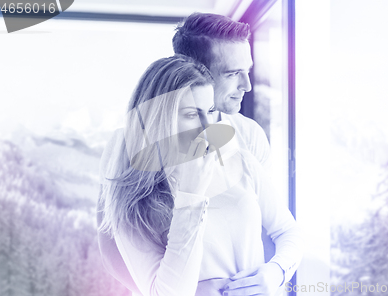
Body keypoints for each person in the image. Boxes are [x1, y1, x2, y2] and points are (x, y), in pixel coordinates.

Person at [98, 54, 302, 296]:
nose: (207, 127)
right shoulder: (133, 198)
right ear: (158, 120)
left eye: (210, 111)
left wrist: (276, 272)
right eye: (192, 115)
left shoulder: (239, 159)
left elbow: (288, 231)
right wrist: (190, 197)